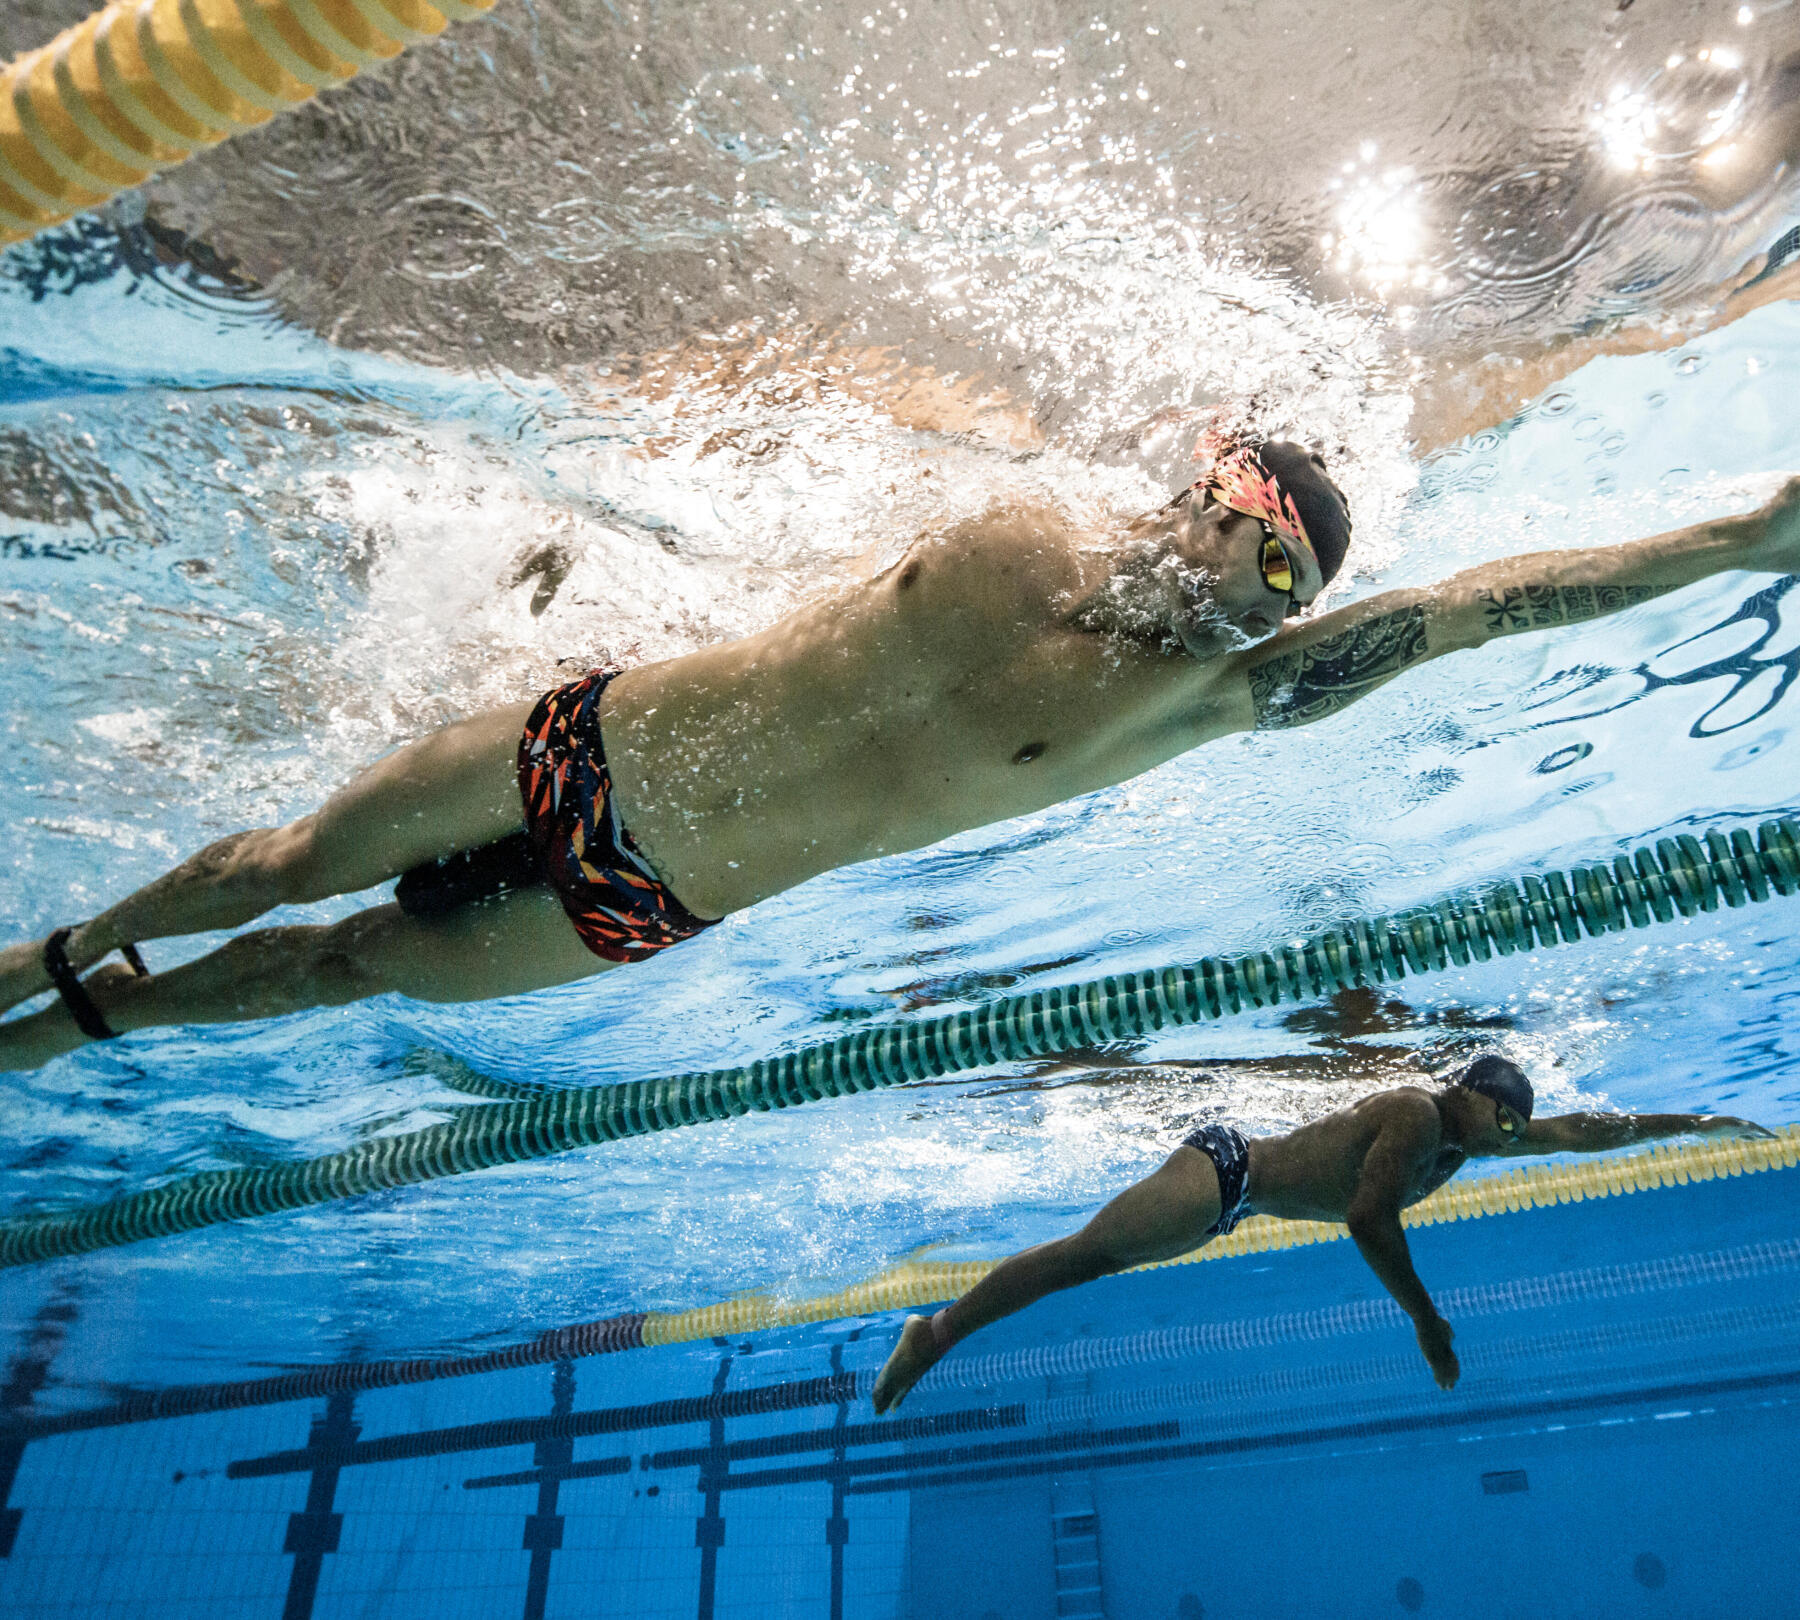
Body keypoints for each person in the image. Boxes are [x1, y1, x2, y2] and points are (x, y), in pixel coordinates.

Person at [1, 420, 1798, 1070]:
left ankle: (70, 1033)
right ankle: (54, 950)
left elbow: (1489, 605)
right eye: (1260, 545)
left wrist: (1732, 539)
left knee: (342, 968)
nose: (1262, 597)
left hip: (646, 898)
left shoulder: (1211, 700)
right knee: (277, 866)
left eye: (1291, 588)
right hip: (586, 745)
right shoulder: (1009, 510)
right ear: (1209, 489)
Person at [870, 1056, 1776, 1410]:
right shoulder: (1421, 1120)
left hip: (1237, 1206)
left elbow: (1581, 1131)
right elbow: (1365, 1217)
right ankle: (933, 1334)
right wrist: (1425, 1318)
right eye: (1501, 1120)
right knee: (1086, 1258)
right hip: (1230, 1171)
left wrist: (1690, 1125)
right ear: (1469, 1092)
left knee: (1091, 1266)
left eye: (1511, 1130)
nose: (1509, 1137)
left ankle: (939, 1334)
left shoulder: (1468, 1141)